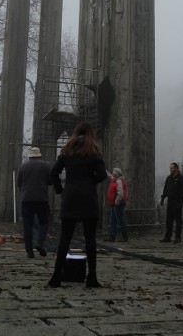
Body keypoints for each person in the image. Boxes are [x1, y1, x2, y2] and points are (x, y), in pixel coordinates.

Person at [48, 121, 108, 289]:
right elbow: (103, 174)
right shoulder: (94, 151)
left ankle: (56, 276)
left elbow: (54, 173)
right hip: (88, 197)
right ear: (90, 135)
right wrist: (89, 182)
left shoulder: (67, 151)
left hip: (70, 196)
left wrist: (61, 190)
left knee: (65, 238)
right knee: (90, 239)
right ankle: (92, 277)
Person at [16, 146, 52, 258]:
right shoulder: (46, 166)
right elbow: (50, 181)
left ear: (29, 156)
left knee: (28, 225)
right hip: (41, 199)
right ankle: (40, 242)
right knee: (44, 222)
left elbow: (19, 183)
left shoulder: (23, 167)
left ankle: (29, 250)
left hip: (26, 200)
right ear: (39, 155)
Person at [159, 162, 183, 243]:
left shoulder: (181, 179)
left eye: (172, 168)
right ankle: (168, 237)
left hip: (177, 202)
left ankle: (178, 237)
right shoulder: (169, 178)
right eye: (170, 168)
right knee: (169, 220)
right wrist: (162, 198)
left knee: (178, 221)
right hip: (170, 202)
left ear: (176, 168)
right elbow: (165, 189)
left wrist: (181, 202)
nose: (170, 169)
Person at [105, 167, 128, 242]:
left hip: (117, 205)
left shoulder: (119, 181)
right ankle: (112, 236)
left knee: (120, 220)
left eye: (114, 173)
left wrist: (116, 202)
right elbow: (109, 175)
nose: (113, 174)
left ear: (117, 174)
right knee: (113, 221)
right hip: (114, 204)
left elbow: (120, 194)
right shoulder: (115, 180)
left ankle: (124, 236)